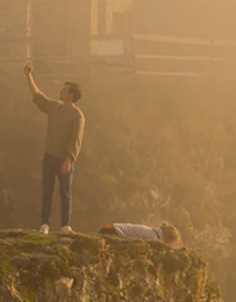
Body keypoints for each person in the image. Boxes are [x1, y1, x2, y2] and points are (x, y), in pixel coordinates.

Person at [24, 61, 85, 235]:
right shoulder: (54, 107)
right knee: (47, 192)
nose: (61, 91)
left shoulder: (77, 116)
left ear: (72, 94)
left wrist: (69, 160)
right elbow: (38, 96)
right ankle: (45, 224)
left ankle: (66, 225)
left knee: (65, 193)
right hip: (49, 156)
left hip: (64, 159)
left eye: (65, 90)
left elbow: (76, 140)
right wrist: (28, 76)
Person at [99, 221, 184, 248]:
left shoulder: (152, 232)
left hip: (110, 228)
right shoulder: (153, 237)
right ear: (168, 239)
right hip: (112, 231)